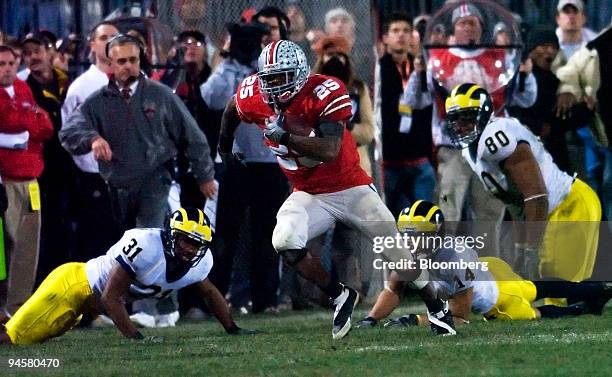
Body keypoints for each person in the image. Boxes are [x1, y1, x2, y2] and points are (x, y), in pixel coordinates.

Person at [219, 40, 456, 339]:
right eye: (269, 79)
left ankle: (437, 307)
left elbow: (329, 150)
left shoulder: (325, 91)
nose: (274, 86)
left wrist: (286, 137)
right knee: (284, 239)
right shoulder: (255, 94)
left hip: (351, 187)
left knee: (400, 257)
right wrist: (224, 148)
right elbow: (232, 109)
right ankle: (339, 294)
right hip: (308, 192)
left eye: (281, 78)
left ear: (300, 73)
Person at [0, 207, 257, 345]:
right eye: (185, 240)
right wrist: (137, 338)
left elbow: (210, 293)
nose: (190, 248)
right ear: (170, 235)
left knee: (28, 339)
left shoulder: (200, 262)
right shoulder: (145, 245)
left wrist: (232, 329)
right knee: (13, 339)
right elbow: (111, 297)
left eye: (196, 244)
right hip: (74, 286)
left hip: (88, 305)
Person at [406, 2, 536, 258]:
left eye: (472, 23)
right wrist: (418, 73)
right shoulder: (438, 58)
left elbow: (524, 99)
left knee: (490, 213)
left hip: (492, 146)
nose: (467, 28)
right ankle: (443, 274)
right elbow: (415, 100)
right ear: (454, 28)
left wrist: (526, 75)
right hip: (453, 147)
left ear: (481, 27)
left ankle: (490, 275)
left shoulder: (499, 56)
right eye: (462, 24)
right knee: (448, 210)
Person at [356, 200, 611, 328]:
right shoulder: (408, 253)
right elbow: (393, 290)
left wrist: (416, 320)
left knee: (531, 313)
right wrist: (371, 319)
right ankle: (597, 290)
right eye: (408, 235)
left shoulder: (453, 258)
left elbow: (460, 316)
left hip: (498, 296)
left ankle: (585, 306)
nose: (413, 243)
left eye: (420, 235)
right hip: (488, 267)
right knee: (535, 288)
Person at [445, 83, 601, 282]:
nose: (460, 125)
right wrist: (520, 249)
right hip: (552, 213)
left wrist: (531, 251)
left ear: (483, 115)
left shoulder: (496, 137)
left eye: (466, 117)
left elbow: (536, 197)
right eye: (455, 119)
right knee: (549, 292)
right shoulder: (470, 151)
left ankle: (601, 292)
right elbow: (517, 205)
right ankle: (598, 293)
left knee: (558, 293)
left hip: (569, 206)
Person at [60, 34, 216, 231]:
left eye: (133, 60)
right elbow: (68, 131)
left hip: (155, 182)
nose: (128, 66)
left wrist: (205, 176)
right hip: (115, 187)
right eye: (121, 61)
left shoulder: (161, 95)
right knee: (119, 246)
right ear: (111, 64)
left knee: (148, 240)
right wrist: (92, 138)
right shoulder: (98, 101)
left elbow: (193, 136)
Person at [0, 45, 54, 321]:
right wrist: (18, 129)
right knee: (4, 249)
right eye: (1, 64)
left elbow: (43, 128)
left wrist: (21, 128)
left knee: (26, 247)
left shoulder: (22, 89)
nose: (7, 68)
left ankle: (18, 308)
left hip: (30, 179)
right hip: (4, 181)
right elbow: (13, 124)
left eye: (10, 63)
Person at [60, 21, 120, 263]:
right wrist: (91, 165)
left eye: (115, 37)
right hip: (96, 179)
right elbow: (69, 132)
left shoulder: (137, 81)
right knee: (98, 247)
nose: (110, 42)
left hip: (131, 178)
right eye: (104, 37)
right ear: (92, 45)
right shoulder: (81, 87)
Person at [375, 12, 435, 218]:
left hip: (419, 157)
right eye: (395, 31)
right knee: (392, 222)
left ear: (413, 36)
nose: (401, 35)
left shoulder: (422, 68)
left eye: (406, 31)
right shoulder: (378, 69)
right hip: (389, 160)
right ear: (385, 38)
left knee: (426, 221)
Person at [556, 25, 612, 233]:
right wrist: (570, 90)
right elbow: (568, 73)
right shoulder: (595, 47)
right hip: (603, 130)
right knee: (601, 183)